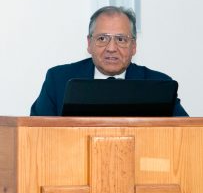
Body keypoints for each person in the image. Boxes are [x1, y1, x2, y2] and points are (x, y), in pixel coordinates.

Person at [30, 6, 188, 116]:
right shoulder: (58, 80)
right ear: (89, 44)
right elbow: (35, 133)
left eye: (121, 39)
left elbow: (186, 134)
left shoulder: (159, 85)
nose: (111, 48)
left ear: (133, 46)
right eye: (102, 38)